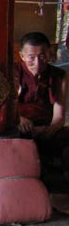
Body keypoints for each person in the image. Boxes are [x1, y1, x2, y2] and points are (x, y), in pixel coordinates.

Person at [15, 31, 69, 185]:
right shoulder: (13, 72)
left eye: (42, 56)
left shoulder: (59, 76)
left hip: (46, 129)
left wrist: (48, 130)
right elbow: (3, 109)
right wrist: (18, 119)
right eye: (31, 57)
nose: (37, 63)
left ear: (50, 53)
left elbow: (59, 117)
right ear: (22, 56)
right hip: (19, 127)